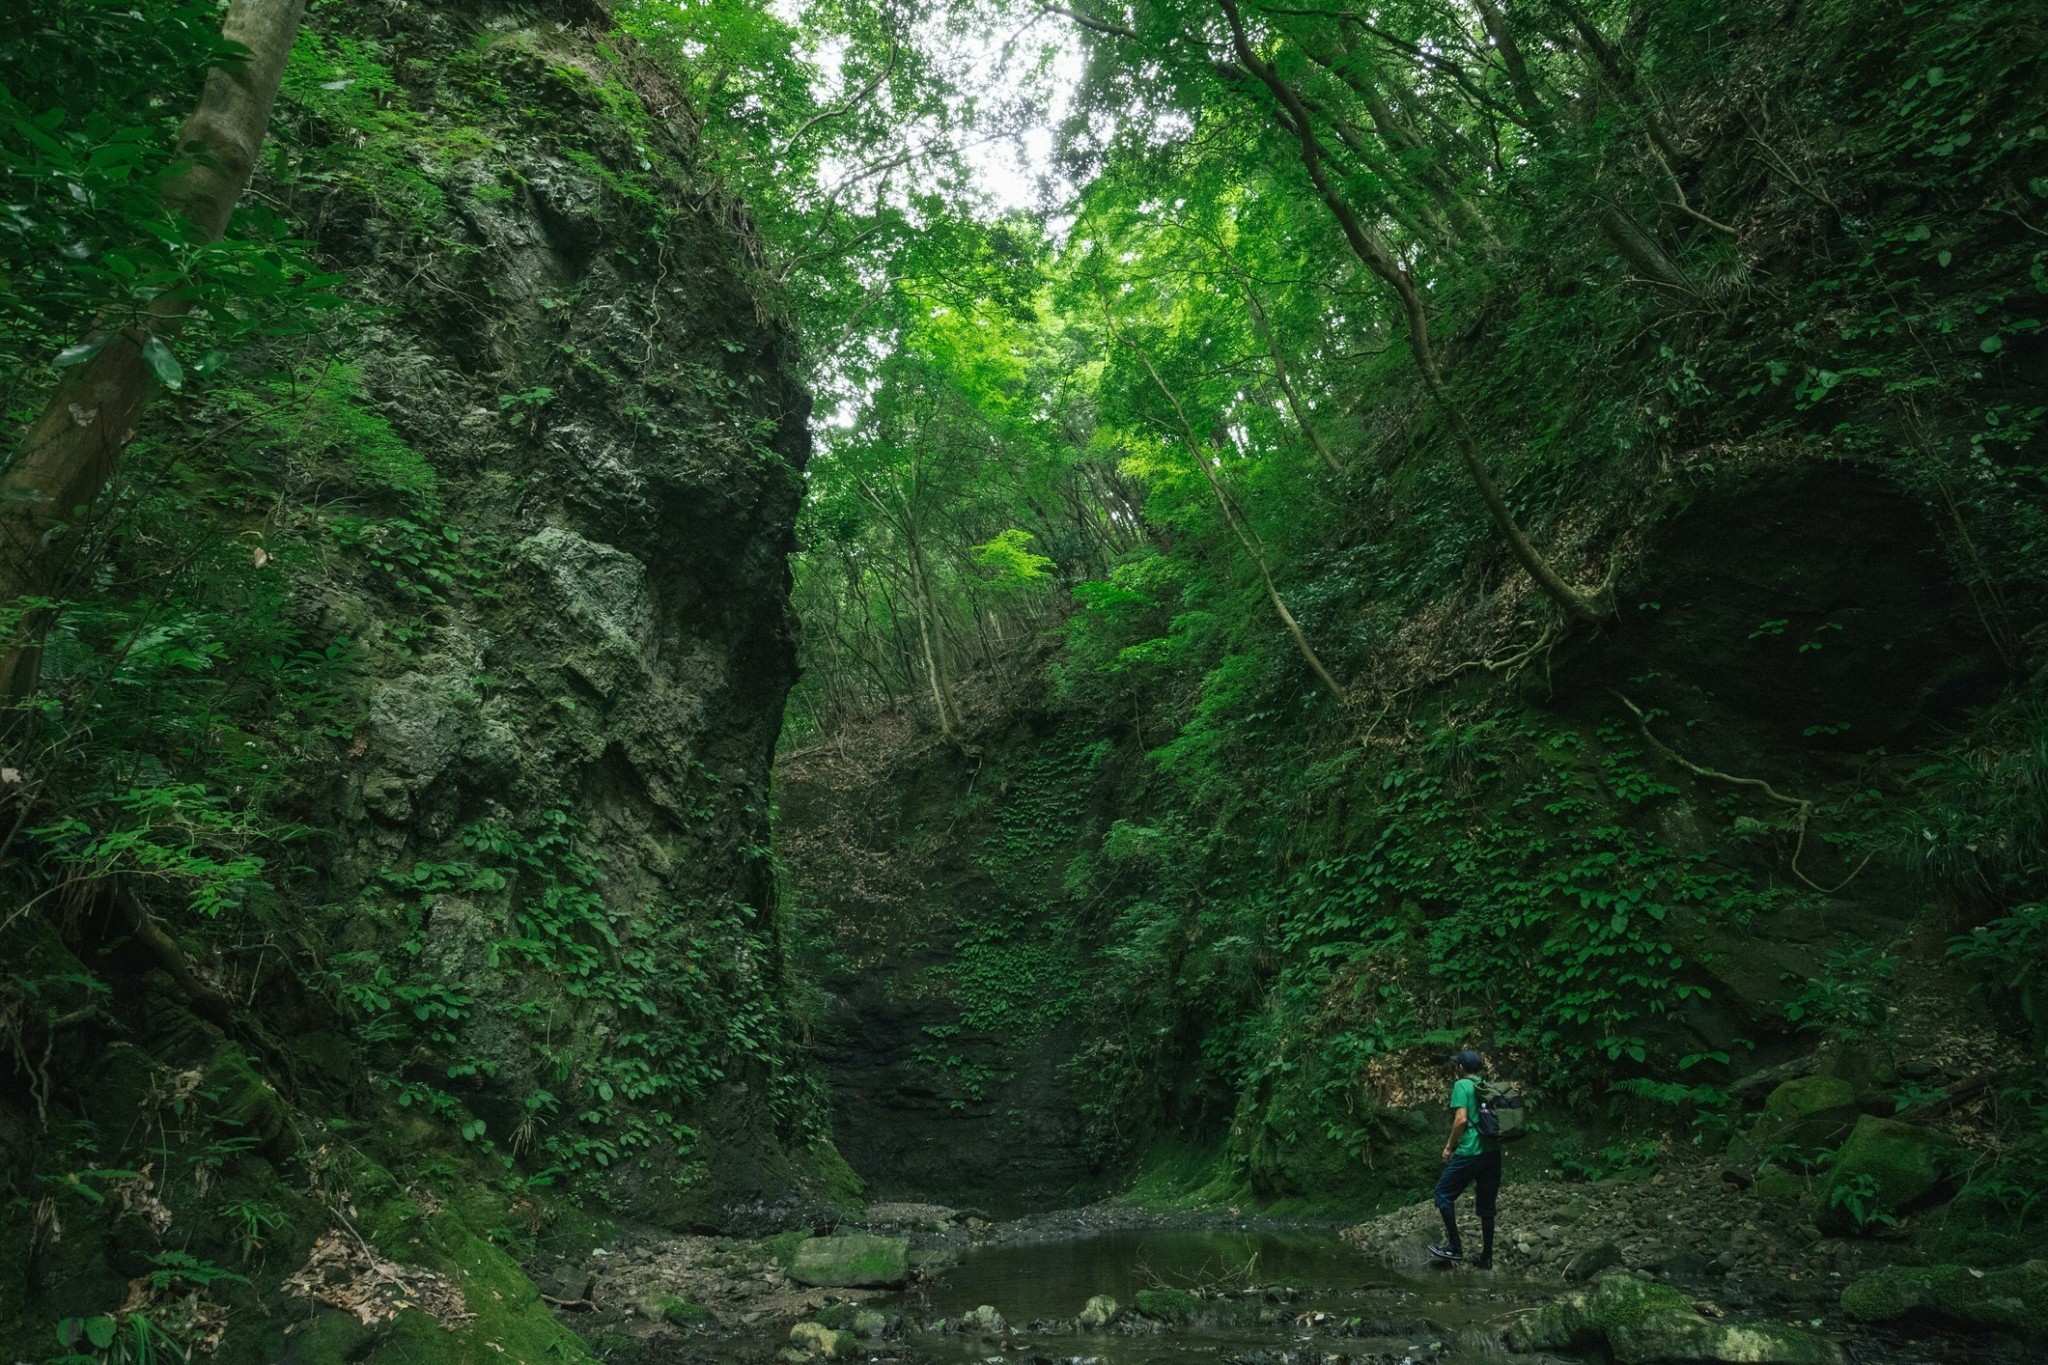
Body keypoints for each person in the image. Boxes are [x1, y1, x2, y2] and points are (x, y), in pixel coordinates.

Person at [1428, 1049, 1500, 1268]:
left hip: (1470, 1151)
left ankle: (1454, 1247)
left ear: (1460, 1067)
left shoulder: (1462, 1085)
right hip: (1493, 1152)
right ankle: (1486, 1257)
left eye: (1456, 1065)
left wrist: (1449, 1148)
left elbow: (1461, 1120)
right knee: (1487, 1205)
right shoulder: (1486, 1086)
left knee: (1442, 1194)